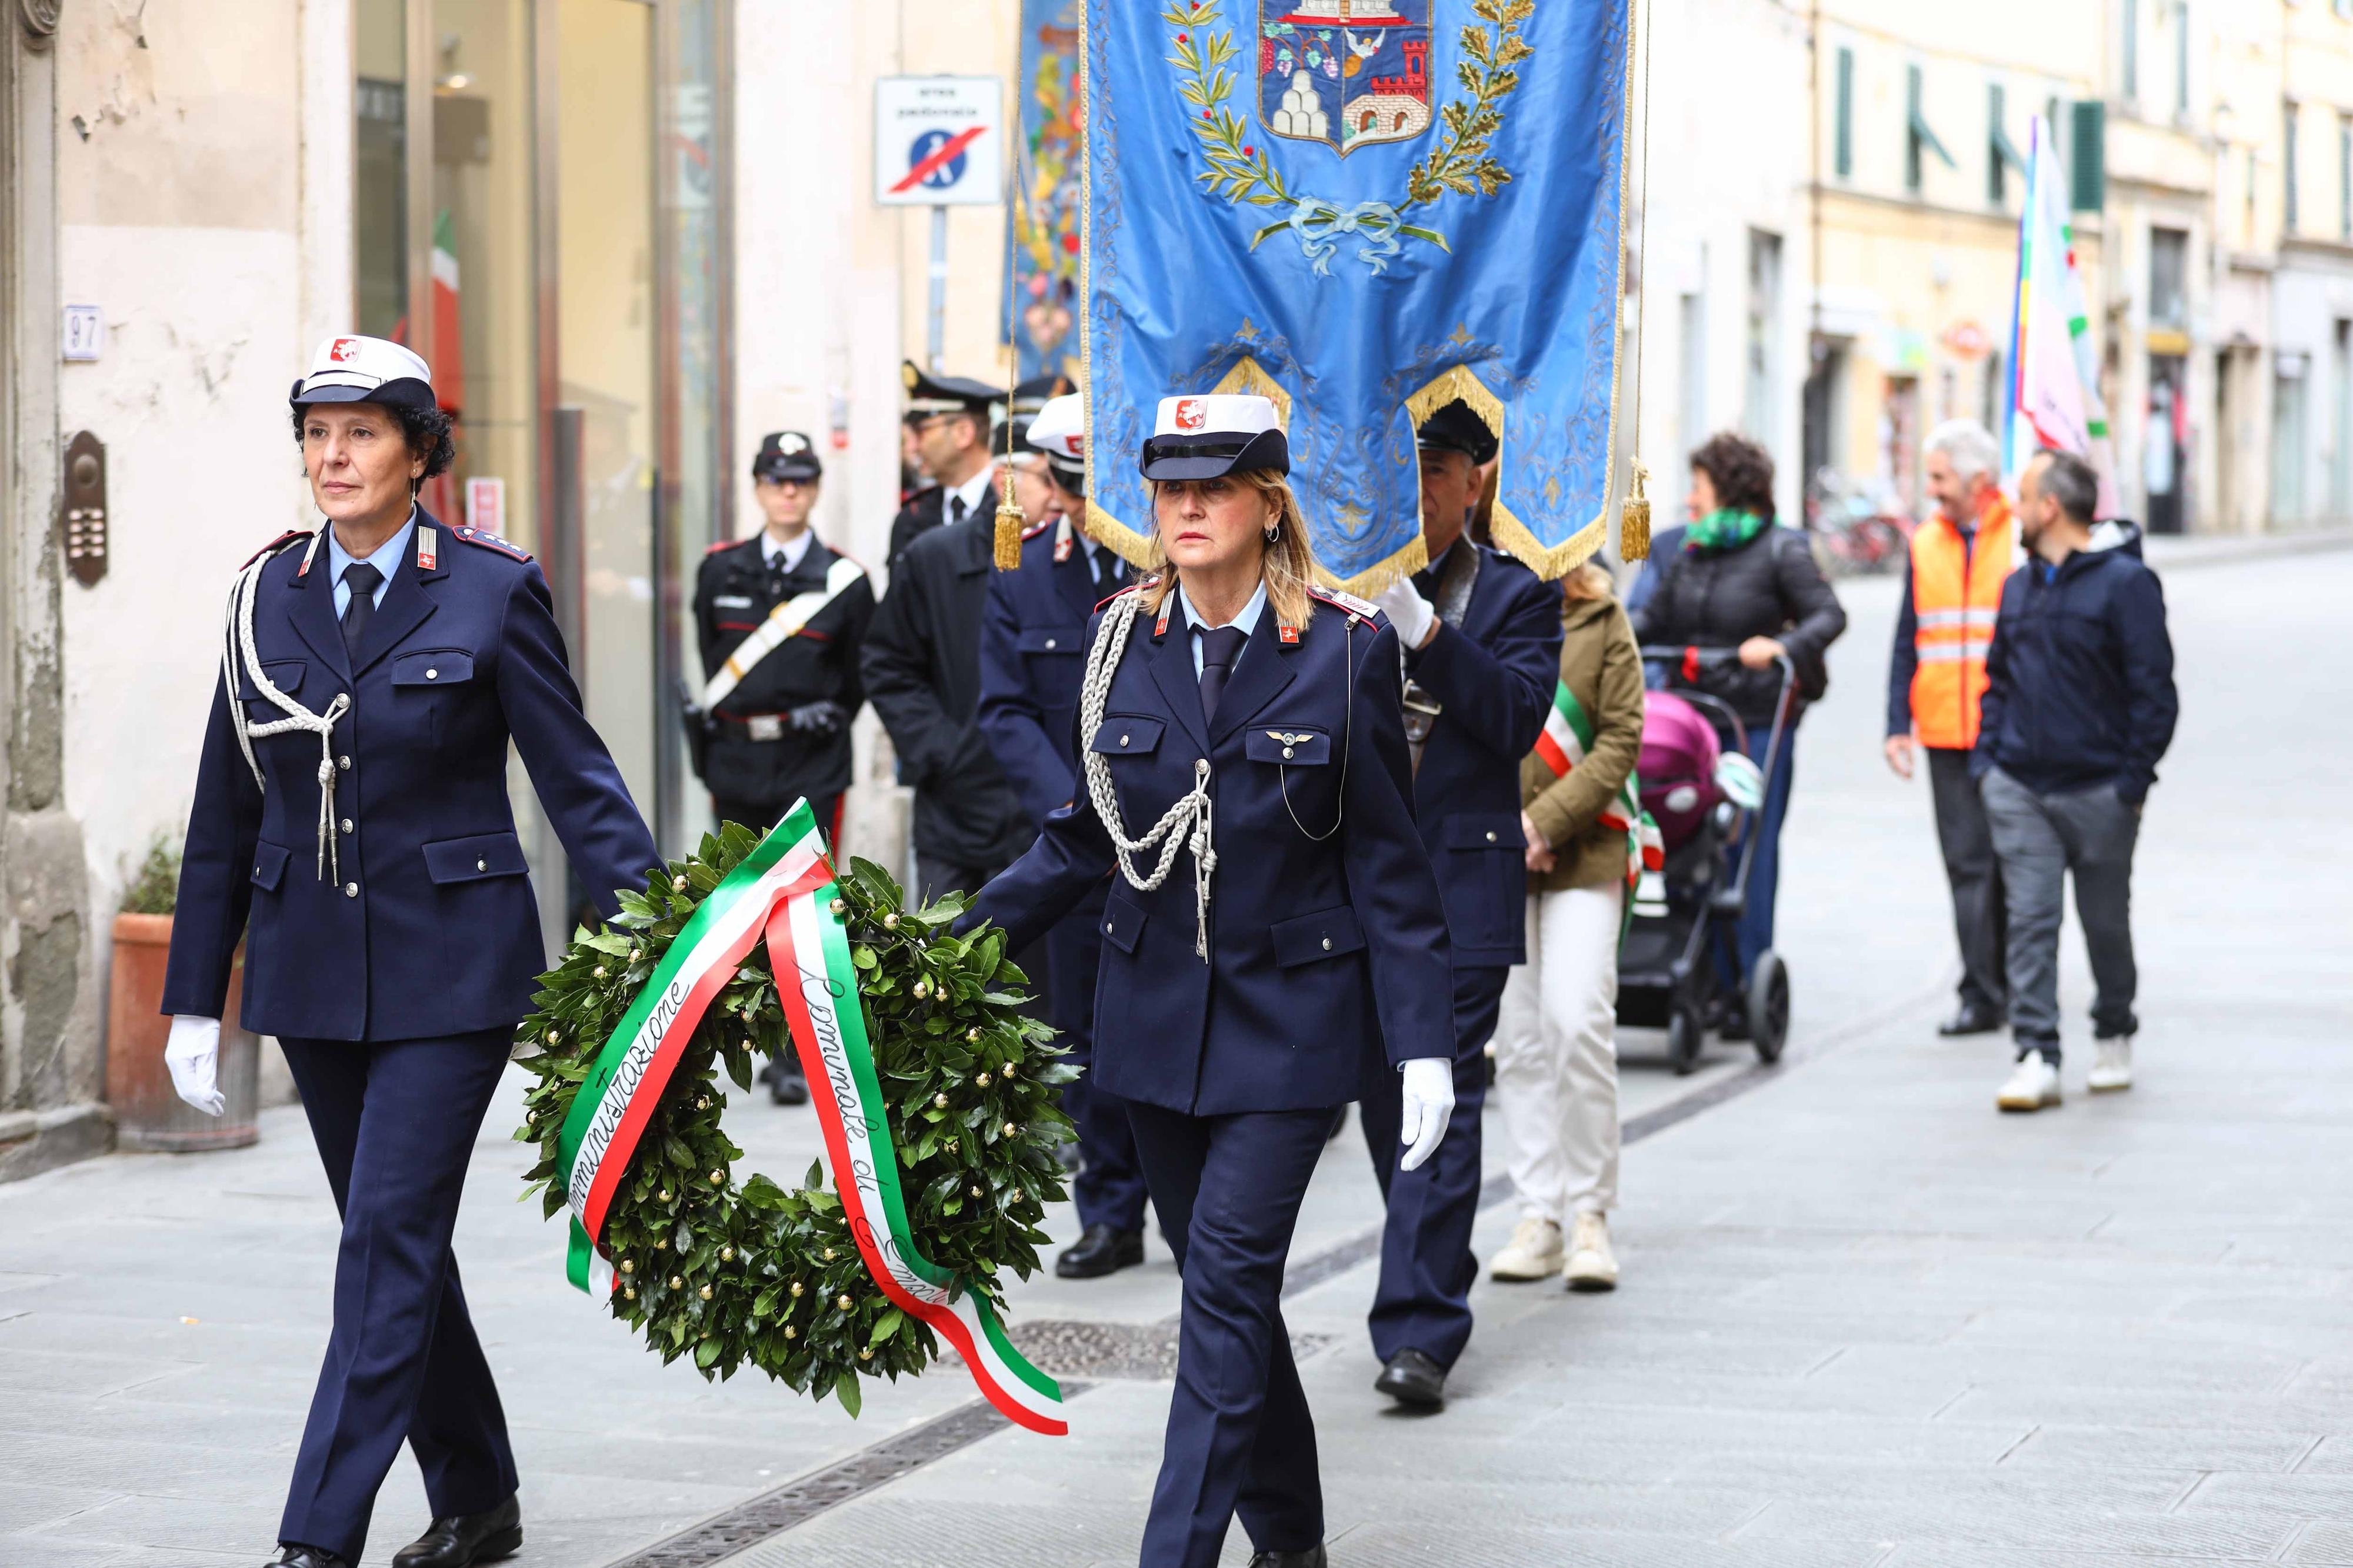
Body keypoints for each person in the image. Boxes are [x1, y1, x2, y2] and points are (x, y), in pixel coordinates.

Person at [159, 336, 659, 1568]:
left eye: (363, 432)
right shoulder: (258, 596)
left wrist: (661, 938)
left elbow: (579, 784)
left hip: (455, 967)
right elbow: (226, 811)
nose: (333, 456)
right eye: (317, 434)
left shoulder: (489, 589)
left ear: (420, 451)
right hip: (311, 966)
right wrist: (189, 1000)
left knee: (383, 1236)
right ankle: (481, 1495)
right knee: (403, 1245)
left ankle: (315, 1537)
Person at [964, 393, 1455, 1568]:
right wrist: (940, 947)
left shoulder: (1343, 651)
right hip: (1148, 1031)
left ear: (1264, 504)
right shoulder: (1115, 641)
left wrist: (1424, 1045)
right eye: (1170, 486)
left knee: (1223, 1296)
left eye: (1215, 485)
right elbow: (1086, 839)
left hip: (1288, 1037)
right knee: (1226, 1300)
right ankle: (1290, 1536)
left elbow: (1391, 869)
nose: (1186, 506)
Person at [1354, 398, 1562, 1408]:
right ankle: (1415, 1271)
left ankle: (1422, 1328)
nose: (1422, 487)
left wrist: (1423, 628)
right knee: (1380, 1102)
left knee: (1443, 1103)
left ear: (1476, 479)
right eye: (1408, 468)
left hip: (1456, 885)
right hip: (1348, 886)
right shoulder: (1338, 582)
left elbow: (1516, 716)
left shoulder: (1517, 594)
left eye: (1438, 469)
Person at [975, 393, 1154, 1278]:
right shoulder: (1021, 576)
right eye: (1070, 485)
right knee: (1084, 1035)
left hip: (1171, 843)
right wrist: (1081, 812)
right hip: (1081, 849)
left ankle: (1189, 1204)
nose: (1083, 505)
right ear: (1045, 481)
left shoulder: (1165, 567)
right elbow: (1003, 710)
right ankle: (1112, 1211)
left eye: (1098, 486)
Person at [1975, 450, 2177, 1112]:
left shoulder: (2125, 584)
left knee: (2103, 925)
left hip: (2099, 792)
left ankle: (2114, 1028)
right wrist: (1989, 763)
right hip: (2020, 788)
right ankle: (2035, 1053)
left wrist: (2130, 783)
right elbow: (1997, 679)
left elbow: (2155, 694)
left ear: (2050, 508)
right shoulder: (2018, 585)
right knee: (2029, 921)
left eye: (2023, 496)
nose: (2016, 509)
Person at [1629, 432, 1845, 1013]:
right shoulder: (1691, 550)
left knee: (1746, 846)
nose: (1690, 500)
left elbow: (1829, 614)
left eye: (1698, 487)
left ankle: (1745, 976)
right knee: (1683, 838)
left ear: (1728, 489)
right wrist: (1611, 633)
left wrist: (1779, 645)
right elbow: (1653, 617)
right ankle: (1697, 972)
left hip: (1753, 722)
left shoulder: (1781, 549)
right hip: (1689, 723)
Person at [690, 430, 875, 1106]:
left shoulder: (846, 581)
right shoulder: (719, 569)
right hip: (736, 759)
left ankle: (798, 1055)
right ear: (758, 486)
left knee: (805, 909)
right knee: (735, 902)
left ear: (816, 487)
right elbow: (713, 659)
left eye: (800, 479)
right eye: (776, 479)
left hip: (811, 764)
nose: (788, 491)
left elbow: (857, 677)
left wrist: (809, 723)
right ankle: (738, 1041)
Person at [1488, 559, 1645, 1293]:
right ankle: (1538, 1210)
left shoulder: (1601, 618)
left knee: (1576, 1019)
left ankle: (1590, 1212)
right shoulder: (1480, 601)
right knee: (1516, 1037)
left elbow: (1620, 736)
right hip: (1493, 851)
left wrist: (1544, 821)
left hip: (1585, 846)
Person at [862, 416, 1039, 907]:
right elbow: (887, 662)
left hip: (1041, 813)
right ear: (1009, 481)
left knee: (1039, 978)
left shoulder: (1067, 562)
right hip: (954, 809)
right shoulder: (935, 555)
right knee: (947, 970)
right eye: (1044, 477)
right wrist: (944, 750)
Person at [1887, 419, 2014, 1038]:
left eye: (1939, 477)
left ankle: (2016, 979)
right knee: (1967, 864)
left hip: (2010, 731)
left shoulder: (2018, 537)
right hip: (1942, 730)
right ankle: (1980, 992)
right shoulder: (1924, 542)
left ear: (1978, 480)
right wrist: (1896, 724)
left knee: (2013, 864)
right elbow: (1905, 639)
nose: (1930, 489)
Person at [889, 362, 1004, 565]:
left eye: (922, 431)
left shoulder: (1009, 509)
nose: (913, 447)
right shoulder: (911, 519)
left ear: (963, 433)